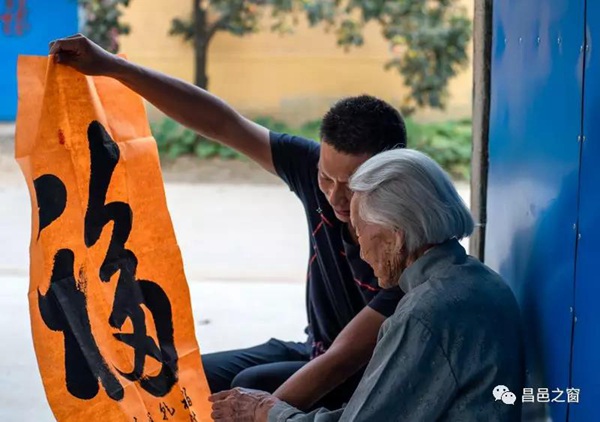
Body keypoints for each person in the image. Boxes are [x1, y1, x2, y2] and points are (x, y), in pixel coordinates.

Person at [49, 34, 408, 410]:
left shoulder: (412, 242)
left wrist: (256, 412)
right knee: (182, 378)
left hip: (373, 377)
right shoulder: (314, 170)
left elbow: (345, 359)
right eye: (326, 178)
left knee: (250, 387)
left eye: (353, 186)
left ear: (395, 176)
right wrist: (112, 67)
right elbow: (223, 123)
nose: (335, 198)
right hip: (315, 349)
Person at [209, 149, 525, 422]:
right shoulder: (478, 280)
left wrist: (267, 411)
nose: (361, 252)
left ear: (395, 236)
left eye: (360, 233)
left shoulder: (426, 312)